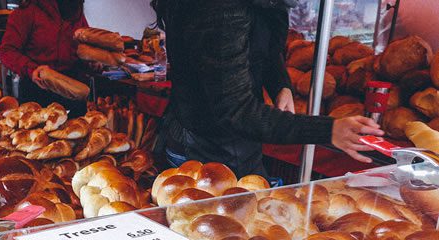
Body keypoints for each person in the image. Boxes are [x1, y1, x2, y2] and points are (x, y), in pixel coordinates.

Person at [152, 0, 383, 177]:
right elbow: (236, 111)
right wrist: (328, 130)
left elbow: (264, 49)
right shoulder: (219, 9)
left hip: (237, 141)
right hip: (203, 146)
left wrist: (281, 85)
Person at [0, 0, 88, 115]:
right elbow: (6, 51)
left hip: (72, 89)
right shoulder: (29, 10)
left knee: (78, 131)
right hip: (37, 90)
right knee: (38, 132)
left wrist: (91, 63)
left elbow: (82, 48)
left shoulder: (75, 9)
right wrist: (31, 69)